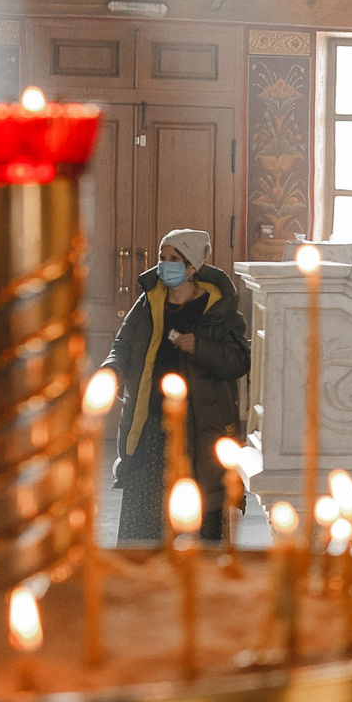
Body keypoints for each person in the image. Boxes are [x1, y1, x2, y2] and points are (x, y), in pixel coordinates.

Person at [100, 230, 250, 544]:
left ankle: (196, 583)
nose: (165, 266)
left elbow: (238, 362)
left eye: (174, 260)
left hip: (200, 427)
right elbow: (123, 345)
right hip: (152, 422)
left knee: (197, 514)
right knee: (143, 523)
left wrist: (200, 346)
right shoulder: (149, 302)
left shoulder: (220, 311)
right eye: (162, 258)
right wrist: (111, 370)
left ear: (192, 268)